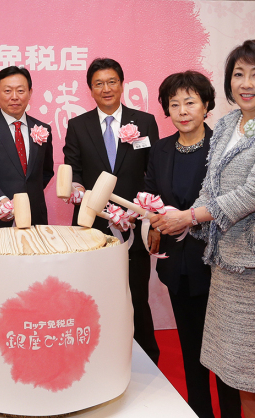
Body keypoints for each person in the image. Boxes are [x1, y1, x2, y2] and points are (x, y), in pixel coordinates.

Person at [151, 40, 255, 418]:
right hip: (227, 267)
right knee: (240, 378)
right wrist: (184, 220)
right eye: (239, 74)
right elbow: (211, 188)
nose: (246, 83)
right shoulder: (225, 126)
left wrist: (189, 216)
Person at [144, 71, 242, 418]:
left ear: (206, 105)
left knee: (224, 352)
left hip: (217, 264)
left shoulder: (225, 149)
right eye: (174, 104)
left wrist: (188, 220)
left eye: (190, 102)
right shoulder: (161, 149)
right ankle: (200, 416)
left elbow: (229, 204)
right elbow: (151, 195)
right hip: (177, 267)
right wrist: (154, 219)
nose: (182, 110)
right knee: (190, 346)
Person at [63, 58, 160, 364]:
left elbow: (153, 173)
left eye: (112, 82)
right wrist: (76, 188)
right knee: (94, 295)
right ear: (90, 89)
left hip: (134, 223)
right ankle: (98, 357)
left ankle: (145, 357)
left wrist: (148, 217)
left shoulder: (144, 122)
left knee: (135, 293)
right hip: (94, 226)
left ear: (122, 84)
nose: (106, 89)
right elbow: (73, 169)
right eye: (98, 83)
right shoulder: (77, 126)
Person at [0, 66, 54, 226]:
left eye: (20, 91)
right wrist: (1, 200)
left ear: (30, 93)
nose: (14, 97)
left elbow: (46, 172)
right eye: (7, 91)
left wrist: (29, 193)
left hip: (35, 218)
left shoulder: (43, 129)